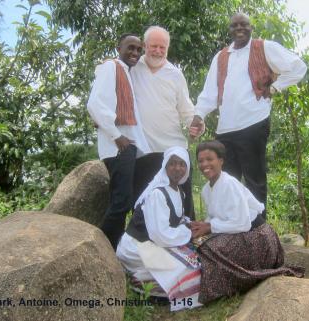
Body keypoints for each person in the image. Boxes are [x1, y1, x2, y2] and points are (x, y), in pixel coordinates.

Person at [190, 13, 307, 218]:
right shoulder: (221, 56)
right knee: (227, 181)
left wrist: (275, 88)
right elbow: (209, 92)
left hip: (253, 123)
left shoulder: (264, 47)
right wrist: (199, 115)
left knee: (255, 180)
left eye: (243, 24)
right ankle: (231, 228)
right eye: (234, 25)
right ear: (230, 29)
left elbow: (298, 67)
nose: (239, 28)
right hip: (225, 128)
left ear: (251, 27)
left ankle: (259, 232)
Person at [192, 140, 304, 303]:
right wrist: (202, 225)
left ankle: (226, 285)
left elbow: (242, 224)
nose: (205, 164)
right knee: (200, 243)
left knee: (209, 248)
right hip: (242, 233)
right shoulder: (206, 190)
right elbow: (215, 216)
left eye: (210, 159)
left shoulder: (229, 184)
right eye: (201, 161)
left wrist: (209, 227)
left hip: (258, 238)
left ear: (221, 161)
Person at [117, 146, 202, 311]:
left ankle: (152, 281)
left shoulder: (179, 192)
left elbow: (174, 219)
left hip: (157, 242)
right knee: (187, 270)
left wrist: (188, 223)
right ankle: (140, 282)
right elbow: (160, 234)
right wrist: (188, 232)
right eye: (172, 163)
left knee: (197, 261)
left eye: (182, 164)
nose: (177, 168)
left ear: (187, 168)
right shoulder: (157, 193)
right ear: (165, 166)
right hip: (139, 246)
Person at [87, 34, 150, 249]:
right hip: (118, 146)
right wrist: (117, 135)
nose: (134, 53)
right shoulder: (110, 67)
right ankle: (99, 251)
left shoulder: (126, 72)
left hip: (128, 145)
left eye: (138, 49)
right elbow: (95, 104)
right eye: (130, 48)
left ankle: (117, 250)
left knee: (127, 200)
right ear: (118, 47)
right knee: (121, 202)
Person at [131, 26, 199, 219]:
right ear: (144, 45)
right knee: (143, 203)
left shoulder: (175, 74)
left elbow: (186, 110)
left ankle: (188, 245)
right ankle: (144, 247)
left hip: (173, 149)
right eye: (154, 46)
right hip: (142, 151)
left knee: (183, 203)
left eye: (163, 47)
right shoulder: (133, 68)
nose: (158, 51)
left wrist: (195, 124)